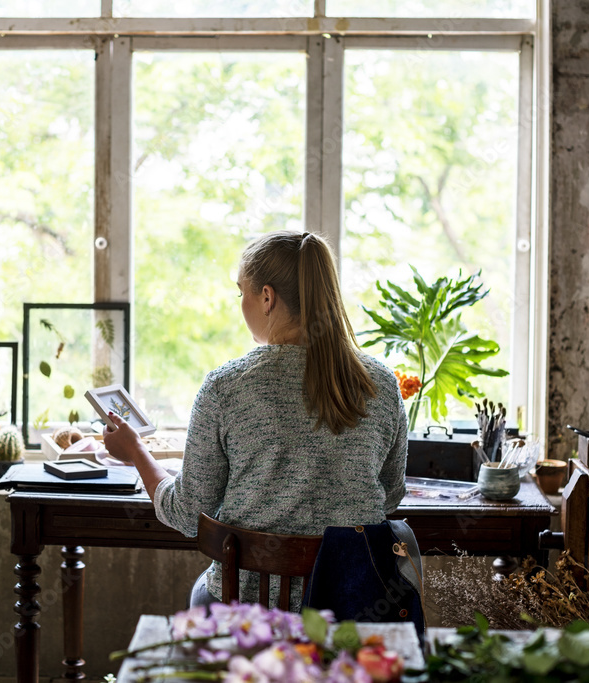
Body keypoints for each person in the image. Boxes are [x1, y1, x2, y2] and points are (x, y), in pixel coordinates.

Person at [103, 230, 407, 609]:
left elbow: (186, 512)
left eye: (241, 292)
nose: (240, 304)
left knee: (202, 593)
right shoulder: (380, 382)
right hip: (354, 608)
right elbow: (391, 495)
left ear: (267, 298)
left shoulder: (226, 387)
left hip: (249, 613)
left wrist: (135, 453)